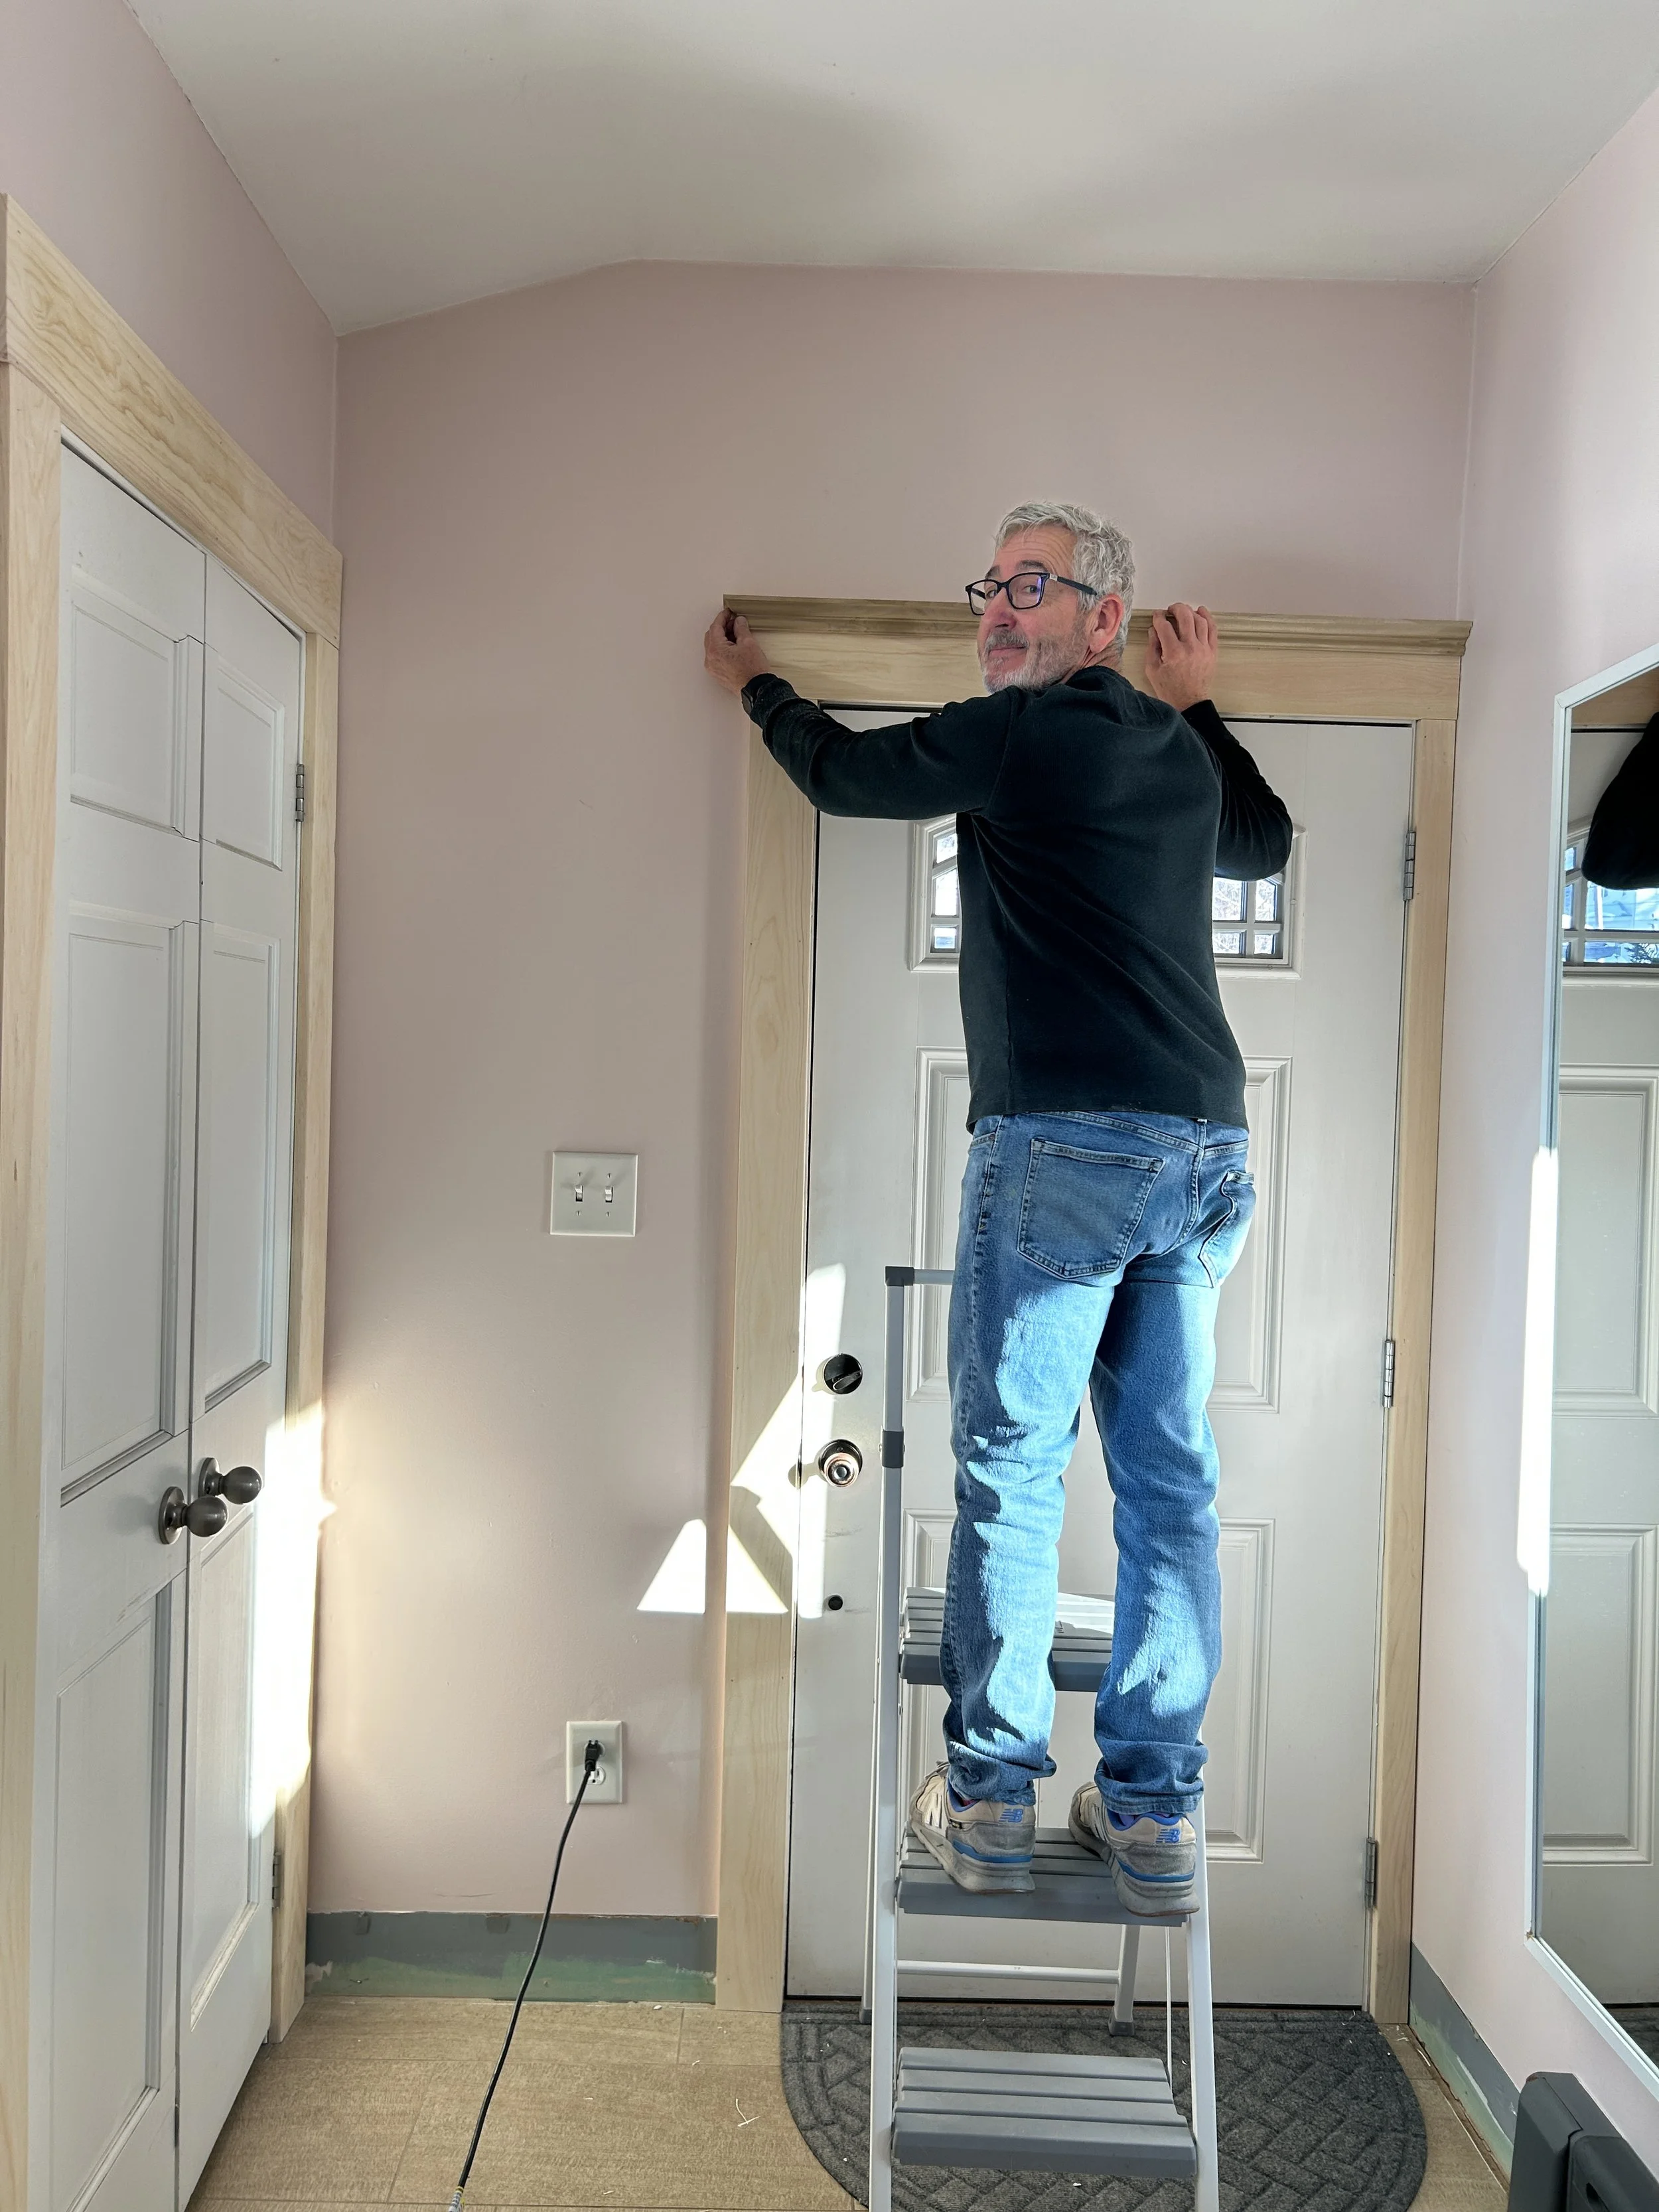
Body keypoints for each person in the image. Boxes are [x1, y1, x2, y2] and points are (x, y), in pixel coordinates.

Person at [703, 502, 1291, 1916]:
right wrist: (1198, 705)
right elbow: (1262, 843)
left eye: (1032, 585)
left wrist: (756, 684)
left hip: (1067, 1144)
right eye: (990, 587)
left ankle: (988, 1798)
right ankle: (1153, 1813)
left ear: (1104, 618)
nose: (997, 610)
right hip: (1203, 1148)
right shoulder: (1171, 747)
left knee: (1016, 1473)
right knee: (1169, 1483)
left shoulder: (1018, 732)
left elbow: (840, 774)